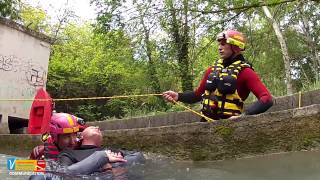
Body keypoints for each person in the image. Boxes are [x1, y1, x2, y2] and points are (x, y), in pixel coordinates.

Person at [163, 29, 273, 121]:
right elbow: (197, 95)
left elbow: (267, 99)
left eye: (223, 44)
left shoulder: (246, 72)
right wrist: (178, 96)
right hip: (206, 127)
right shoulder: (212, 70)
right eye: (219, 44)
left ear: (235, 46)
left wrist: (243, 117)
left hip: (231, 129)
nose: (219, 47)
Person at [58, 126, 145, 175]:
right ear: (80, 137)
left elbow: (139, 156)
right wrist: (101, 160)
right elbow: (65, 173)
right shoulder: (68, 154)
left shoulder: (111, 150)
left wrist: (116, 165)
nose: (97, 127)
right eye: (91, 127)